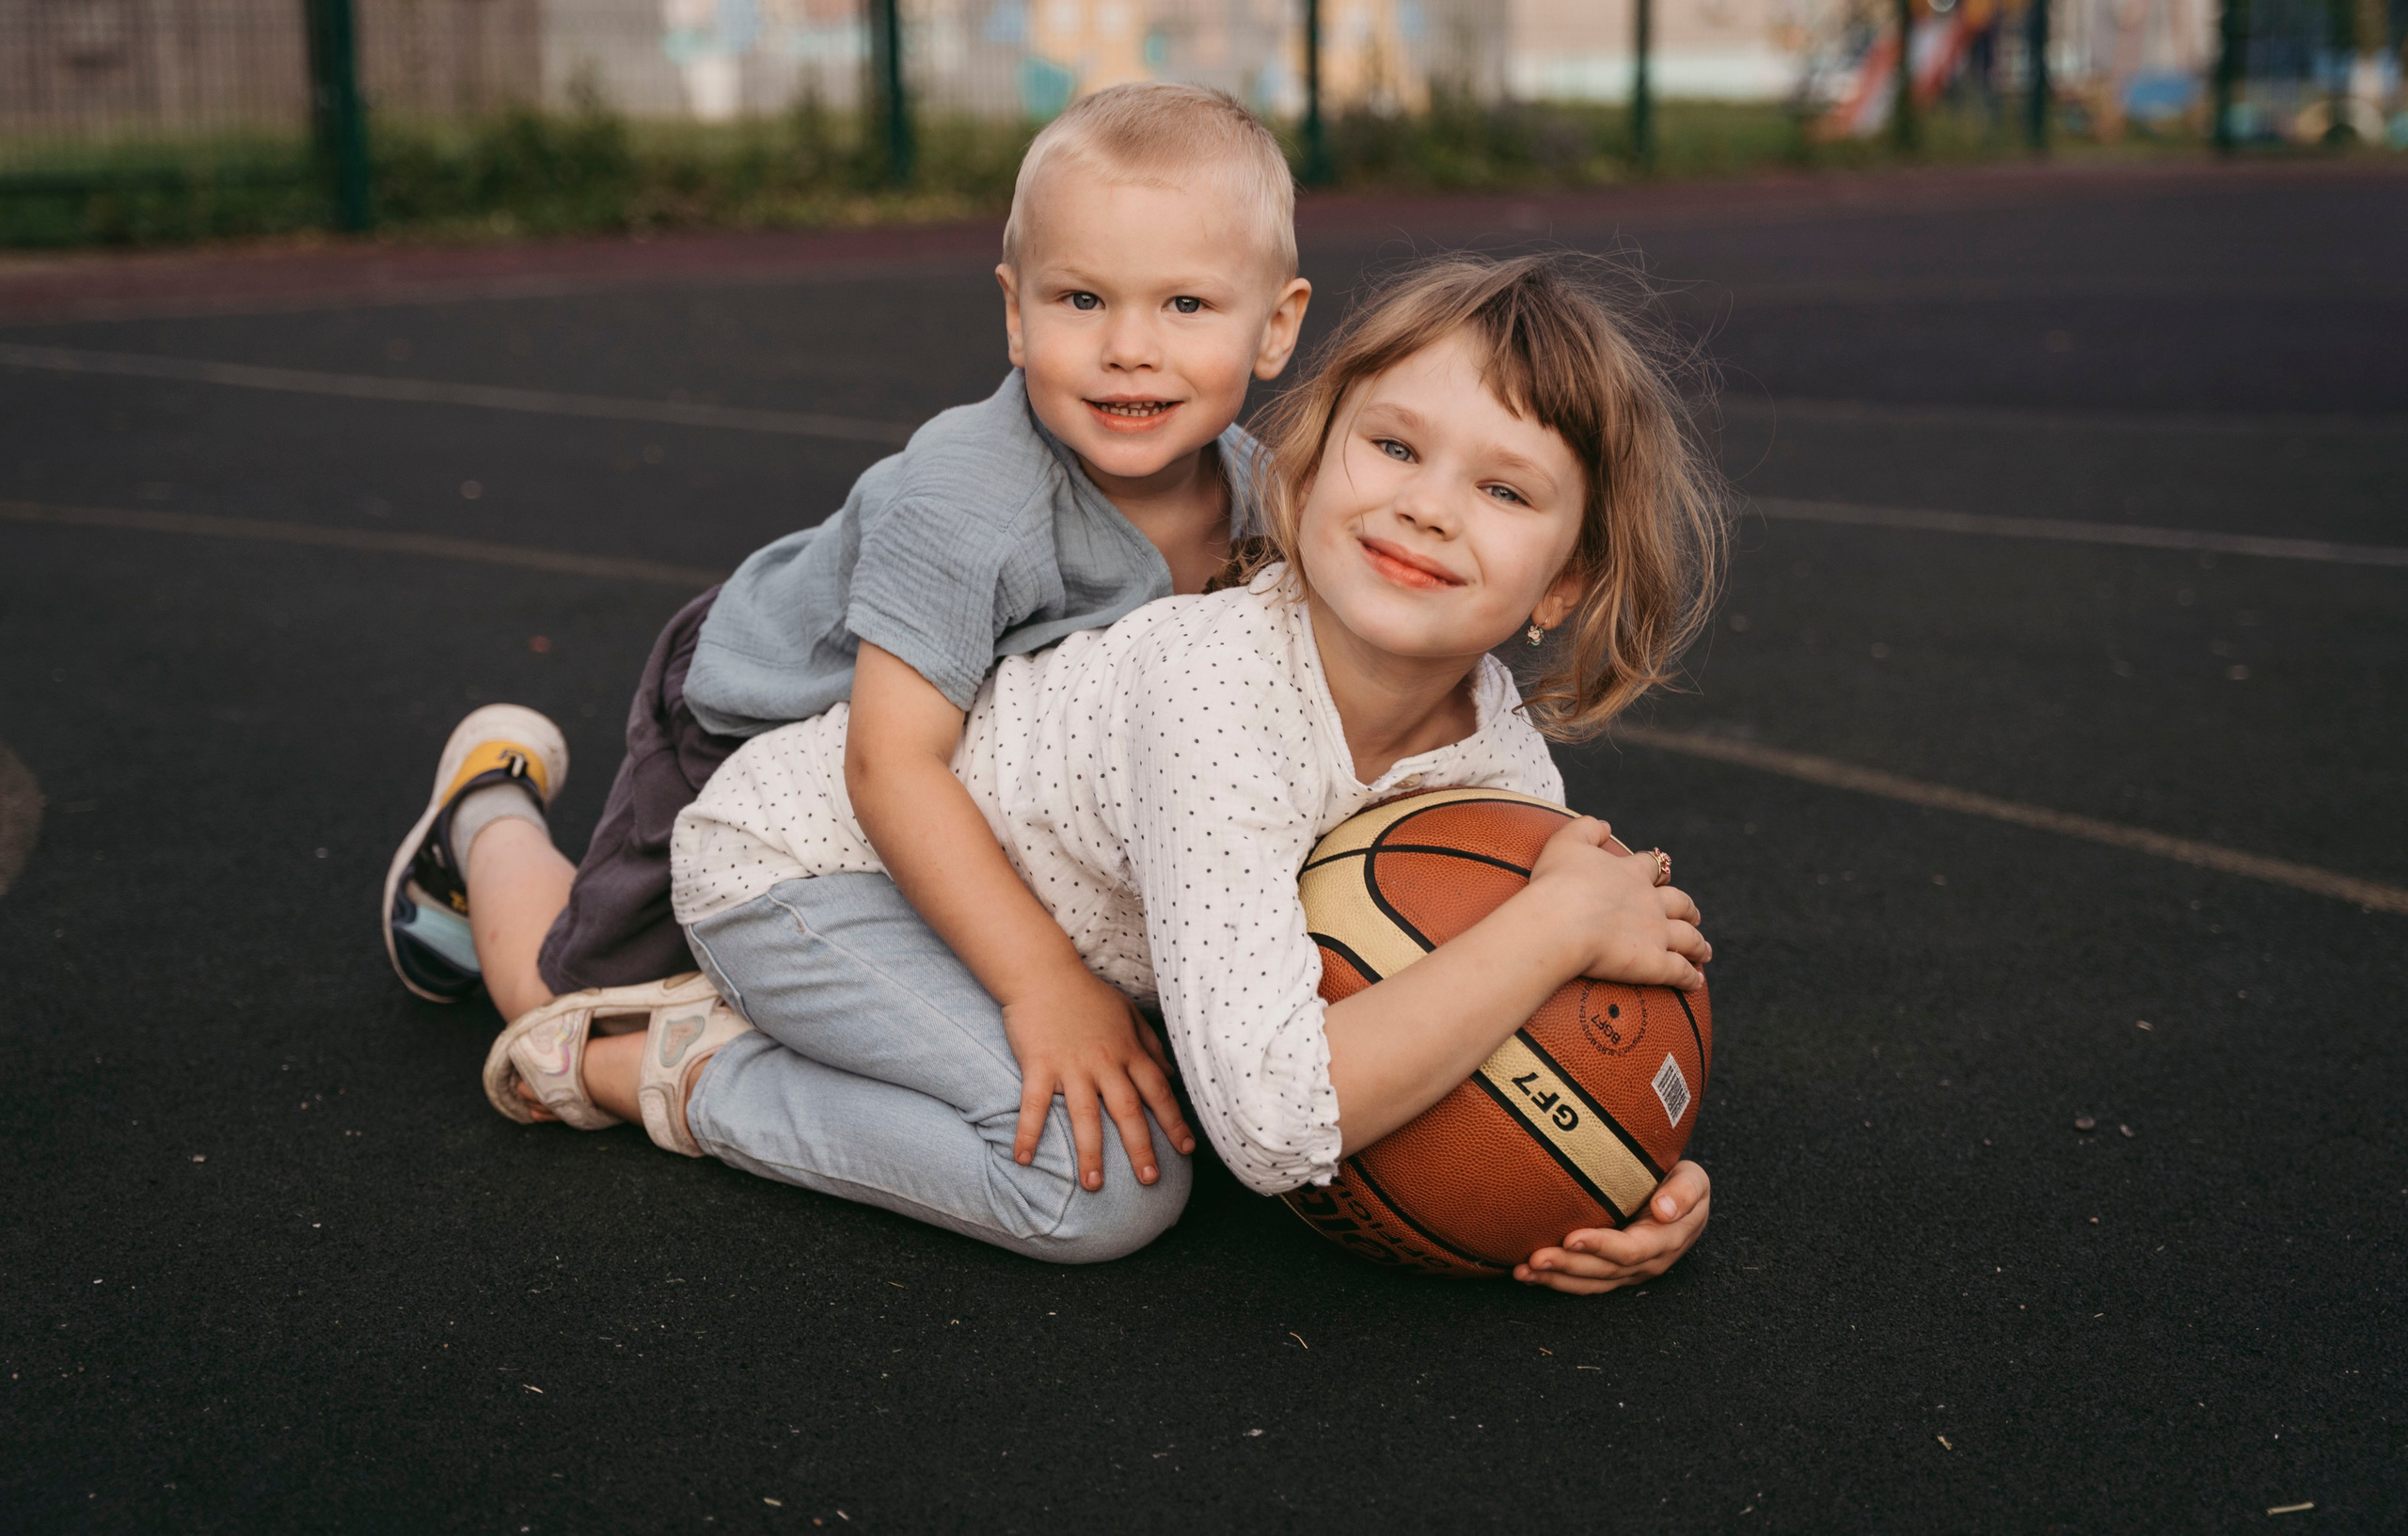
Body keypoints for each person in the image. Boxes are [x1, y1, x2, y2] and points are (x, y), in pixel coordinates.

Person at [495, 254, 1728, 1294]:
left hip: (1014, 915)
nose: (1427, 506)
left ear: (1566, 582)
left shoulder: (1494, 752)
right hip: (814, 869)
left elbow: (1551, 989)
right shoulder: (1219, 694)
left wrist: (1625, 1162)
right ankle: (667, 1057)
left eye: (1505, 488)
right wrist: (1564, 918)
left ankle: (494, 821)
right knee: (1103, 1188)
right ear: (1304, 463)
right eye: (1394, 445)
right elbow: (1272, 1119)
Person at [379, 82, 1311, 1186]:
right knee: (558, 1002)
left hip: (936, 772)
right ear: (1014, 313)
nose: (1128, 349)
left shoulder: (1269, 502)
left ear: (1277, 326)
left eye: (1186, 307)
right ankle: (483, 817)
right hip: (756, 728)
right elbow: (888, 767)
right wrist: (1042, 983)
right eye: (1080, 300)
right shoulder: (974, 500)